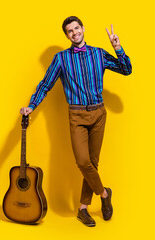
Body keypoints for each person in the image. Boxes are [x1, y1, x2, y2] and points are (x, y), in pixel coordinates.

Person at [20, 16, 132, 227]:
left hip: (99, 113)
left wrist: (118, 47)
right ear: (67, 35)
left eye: (76, 28)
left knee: (93, 163)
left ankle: (83, 209)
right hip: (77, 115)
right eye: (70, 31)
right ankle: (104, 193)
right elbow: (45, 84)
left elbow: (126, 69)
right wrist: (31, 106)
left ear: (83, 28)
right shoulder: (61, 59)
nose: (74, 33)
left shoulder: (98, 53)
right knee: (83, 162)